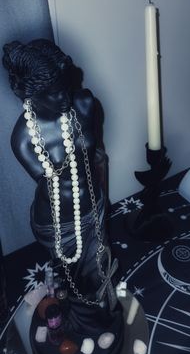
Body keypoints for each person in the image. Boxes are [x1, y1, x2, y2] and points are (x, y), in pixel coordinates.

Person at [2, 39, 122, 335]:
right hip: (56, 222)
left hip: (93, 206)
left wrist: (102, 195)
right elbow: (50, 183)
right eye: (53, 93)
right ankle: (82, 324)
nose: (64, 98)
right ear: (28, 93)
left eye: (64, 87)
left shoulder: (84, 103)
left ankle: (100, 320)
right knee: (74, 278)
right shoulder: (23, 139)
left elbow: (98, 154)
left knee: (98, 269)